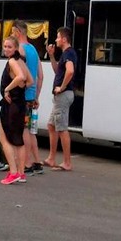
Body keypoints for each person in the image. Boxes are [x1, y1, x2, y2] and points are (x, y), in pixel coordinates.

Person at [12, 20, 45, 176]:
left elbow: (21, 75)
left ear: (18, 32)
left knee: (23, 129)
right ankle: (37, 162)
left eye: (12, 32)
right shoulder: (33, 49)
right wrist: (36, 96)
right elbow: (41, 76)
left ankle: (27, 163)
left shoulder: (20, 50)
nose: (11, 36)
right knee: (31, 131)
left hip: (22, 97)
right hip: (31, 97)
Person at [0, 36, 30, 185]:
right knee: (19, 139)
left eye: (9, 47)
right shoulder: (21, 61)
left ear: (16, 48)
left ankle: (13, 172)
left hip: (11, 106)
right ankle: (21, 173)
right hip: (20, 104)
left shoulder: (12, 61)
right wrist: (20, 87)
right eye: (5, 46)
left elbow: (21, 77)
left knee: (5, 138)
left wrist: (7, 89)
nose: (6, 49)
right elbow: (30, 81)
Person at [43, 26, 76, 172]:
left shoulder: (69, 53)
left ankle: (67, 162)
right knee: (51, 125)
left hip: (63, 95)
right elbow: (59, 71)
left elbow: (70, 71)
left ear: (64, 39)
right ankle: (51, 158)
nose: (55, 40)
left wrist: (61, 88)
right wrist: (51, 56)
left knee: (62, 128)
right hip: (60, 96)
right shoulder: (65, 54)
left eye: (57, 37)